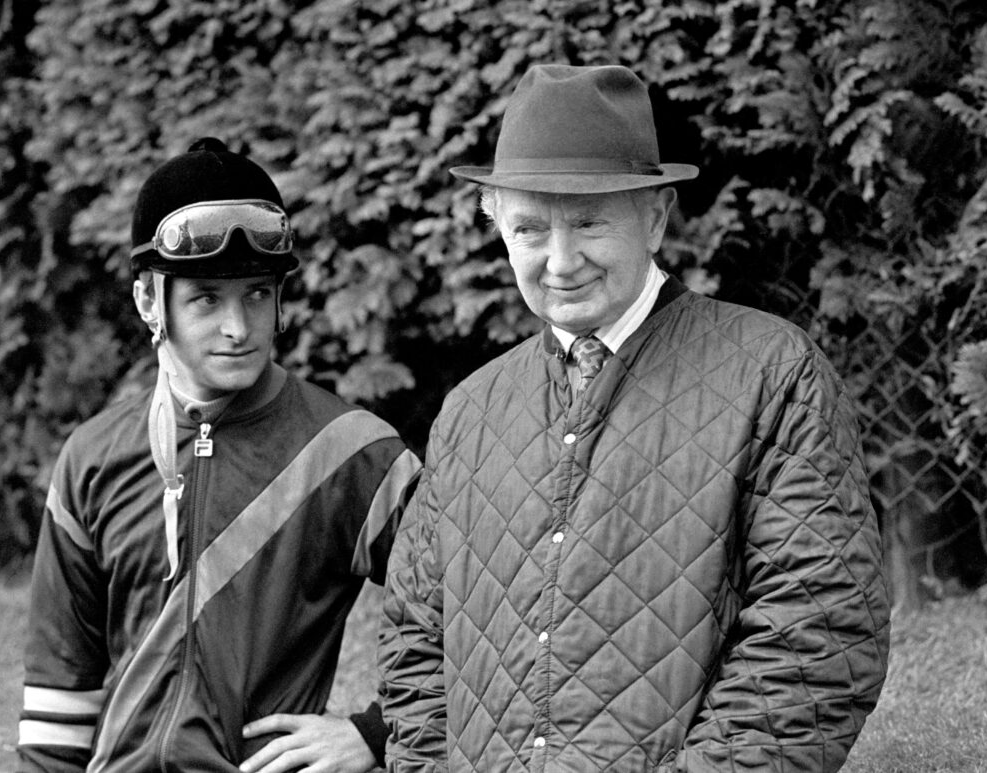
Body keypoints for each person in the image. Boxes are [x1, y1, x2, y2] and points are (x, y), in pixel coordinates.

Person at [378, 64, 891, 772]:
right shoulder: (470, 410)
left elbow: (818, 629)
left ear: (655, 217)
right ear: (496, 226)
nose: (560, 261)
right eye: (529, 228)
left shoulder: (773, 371)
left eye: (588, 221)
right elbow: (414, 643)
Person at [18, 137, 421, 773]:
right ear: (149, 302)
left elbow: (476, 608)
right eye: (206, 298)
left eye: (257, 293)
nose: (238, 328)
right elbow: (60, 687)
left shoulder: (352, 451)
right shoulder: (91, 458)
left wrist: (375, 733)